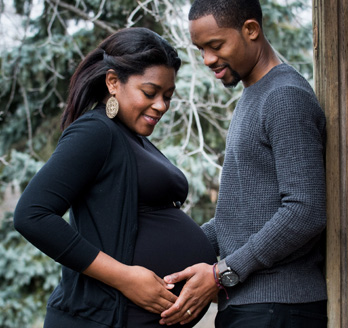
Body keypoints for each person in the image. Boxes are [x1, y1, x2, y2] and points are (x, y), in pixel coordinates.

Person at [13, 27, 217, 328]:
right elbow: (32, 214)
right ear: (112, 82)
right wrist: (126, 278)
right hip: (97, 319)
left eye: (168, 96)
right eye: (150, 92)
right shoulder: (96, 131)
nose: (161, 105)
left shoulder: (132, 138)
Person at [159, 1, 328, 327]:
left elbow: (305, 210)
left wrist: (222, 273)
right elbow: (238, 220)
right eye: (201, 49)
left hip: (279, 307)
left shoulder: (284, 96)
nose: (207, 59)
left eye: (216, 45)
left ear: (251, 30)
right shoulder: (255, 94)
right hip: (253, 306)